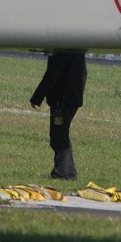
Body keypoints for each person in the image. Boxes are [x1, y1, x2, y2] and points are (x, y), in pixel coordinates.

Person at [30, 51, 87, 180]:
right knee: (62, 134)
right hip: (71, 98)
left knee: (58, 136)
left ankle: (61, 173)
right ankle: (69, 172)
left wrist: (37, 97)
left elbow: (52, 74)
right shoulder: (77, 48)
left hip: (61, 99)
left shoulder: (61, 49)